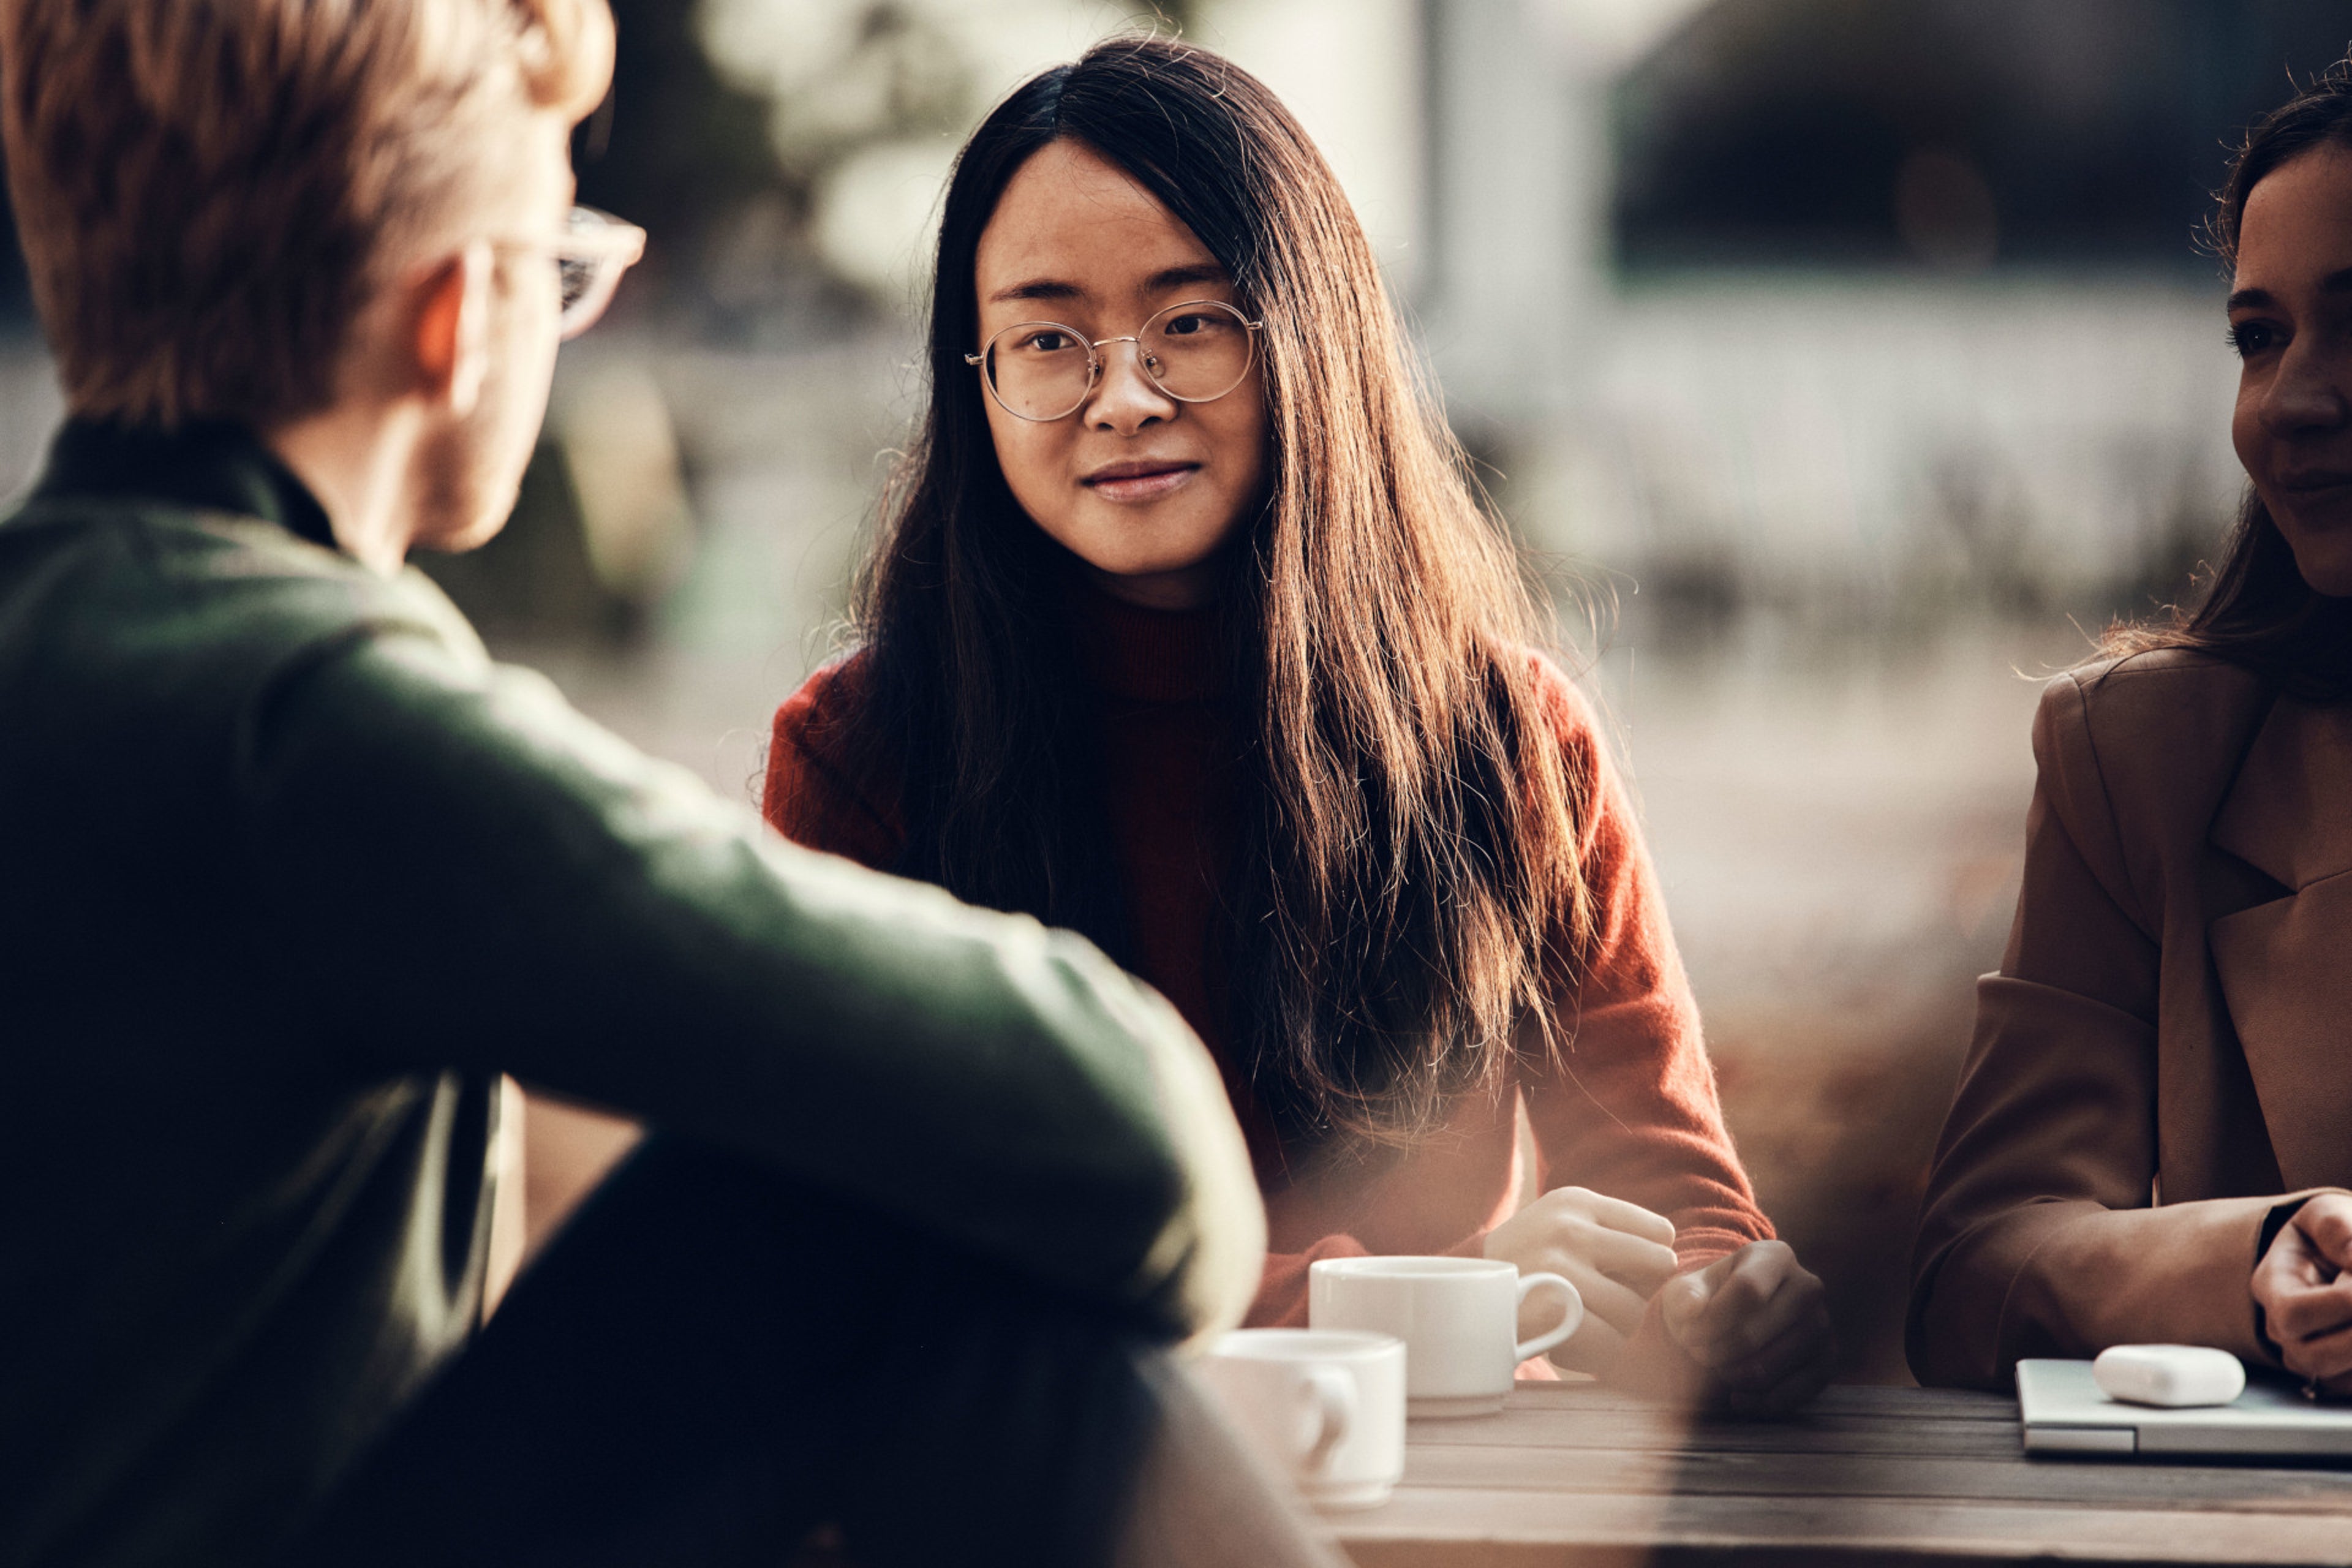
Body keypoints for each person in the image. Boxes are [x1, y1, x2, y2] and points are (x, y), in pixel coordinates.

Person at [0, 4, 1343, 1566]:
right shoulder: (307, 723)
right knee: (879, 1210)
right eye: (560, 259)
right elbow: (1143, 1153)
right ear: (463, 317)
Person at [761, 36, 1834, 1415]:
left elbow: (1675, 1195)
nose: (1124, 394)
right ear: (974, 381)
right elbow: (865, 1250)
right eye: (1047, 339)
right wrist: (1410, 1300)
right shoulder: (867, 754)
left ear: (1310, 334)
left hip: (1450, 1509)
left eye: (1190, 322)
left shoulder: (1503, 741)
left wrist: (1723, 1300)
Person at [1909, 55, 2352, 1392]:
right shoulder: (2141, 759)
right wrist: (2260, 1260)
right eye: (2258, 337)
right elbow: (1975, 1267)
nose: (2291, 400)